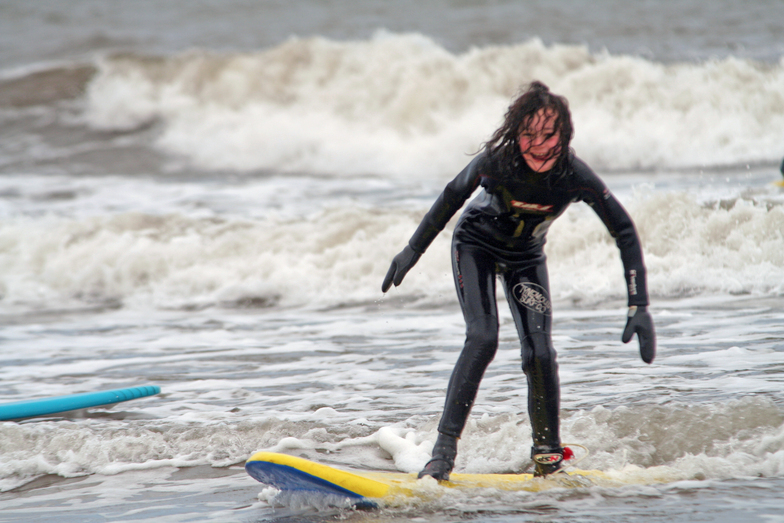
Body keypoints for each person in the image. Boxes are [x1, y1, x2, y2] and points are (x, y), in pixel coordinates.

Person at [381, 81, 656, 479]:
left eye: (549, 136)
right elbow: (452, 195)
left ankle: (546, 455)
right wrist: (412, 249)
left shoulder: (573, 175)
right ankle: (442, 453)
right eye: (529, 135)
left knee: (540, 353)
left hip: (525, 257)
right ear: (516, 134)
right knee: (483, 337)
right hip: (475, 245)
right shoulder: (497, 161)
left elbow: (624, 231)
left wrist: (639, 305)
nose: (539, 146)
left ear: (564, 135)